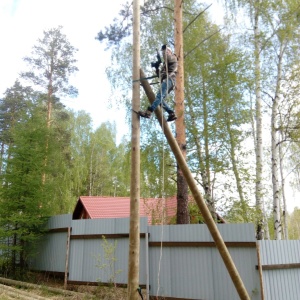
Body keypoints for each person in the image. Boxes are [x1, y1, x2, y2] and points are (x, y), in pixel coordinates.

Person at [139, 45, 178, 122]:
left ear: (170, 52)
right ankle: (171, 113)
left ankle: (148, 112)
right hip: (168, 81)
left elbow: (168, 58)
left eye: (167, 51)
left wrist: (164, 51)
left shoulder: (173, 57)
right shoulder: (165, 64)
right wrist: (156, 67)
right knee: (160, 99)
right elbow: (160, 75)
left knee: (159, 96)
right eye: (164, 51)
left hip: (169, 79)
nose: (165, 53)